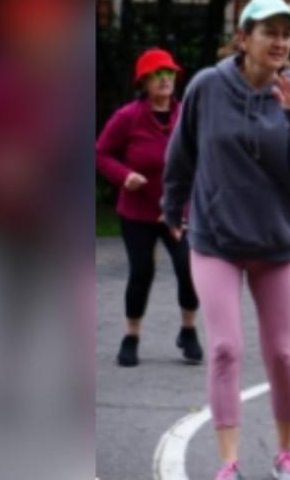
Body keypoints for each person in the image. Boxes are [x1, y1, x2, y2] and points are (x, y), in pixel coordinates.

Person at [162, 0, 290, 480]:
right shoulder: (206, 87)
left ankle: (286, 454)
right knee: (224, 348)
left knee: (281, 352)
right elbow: (182, 152)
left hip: (275, 242)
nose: (281, 41)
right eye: (270, 32)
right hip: (215, 237)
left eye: (287, 33)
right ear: (244, 38)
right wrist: (171, 205)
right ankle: (228, 462)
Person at [96, 48, 202, 367]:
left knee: (188, 269)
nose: (166, 80)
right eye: (158, 75)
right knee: (142, 272)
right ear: (144, 82)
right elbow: (100, 154)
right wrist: (124, 175)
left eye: (169, 74)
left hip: (178, 211)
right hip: (138, 212)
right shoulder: (127, 117)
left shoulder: (187, 116)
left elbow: (202, 161)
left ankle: (188, 331)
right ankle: (131, 336)